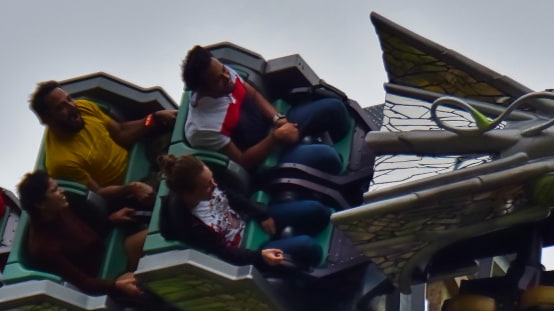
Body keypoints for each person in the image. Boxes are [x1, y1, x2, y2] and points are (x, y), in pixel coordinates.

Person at [181, 45, 351, 173]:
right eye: (219, 79)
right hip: (266, 160)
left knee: (335, 108)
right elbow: (243, 161)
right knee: (329, 157)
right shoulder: (204, 128)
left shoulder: (223, 75)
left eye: (224, 70)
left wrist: (278, 119)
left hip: (274, 128)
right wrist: (276, 138)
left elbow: (254, 95)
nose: (227, 76)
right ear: (203, 90)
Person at [158, 154, 330, 269]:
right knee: (308, 246)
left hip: (250, 223)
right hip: (247, 252)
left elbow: (232, 197)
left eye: (212, 179)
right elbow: (222, 252)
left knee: (315, 210)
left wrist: (260, 214)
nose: (214, 186)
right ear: (188, 194)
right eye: (207, 186)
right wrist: (259, 257)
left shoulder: (208, 185)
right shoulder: (188, 224)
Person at [29, 80, 177, 208]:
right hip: (129, 187)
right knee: (175, 178)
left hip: (138, 156)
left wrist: (154, 119)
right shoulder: (60, 162)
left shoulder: (84, 107)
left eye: (69, 99)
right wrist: (132, 188)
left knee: (173, 139)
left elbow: (121, 132)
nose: (72, 106)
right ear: (45, 118)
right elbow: (98, 194)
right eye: (61, 107)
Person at [17, 170, 145, 299]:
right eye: (54, 190)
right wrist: (116, 286)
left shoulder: (59, 207)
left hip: (111, 251)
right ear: (40, 204)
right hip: (105, 278)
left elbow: (89, 233)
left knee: (151, 241)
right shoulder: (42, 248)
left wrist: (110, 220)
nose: (62, 191)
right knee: (144, 284)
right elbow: (83, 283)